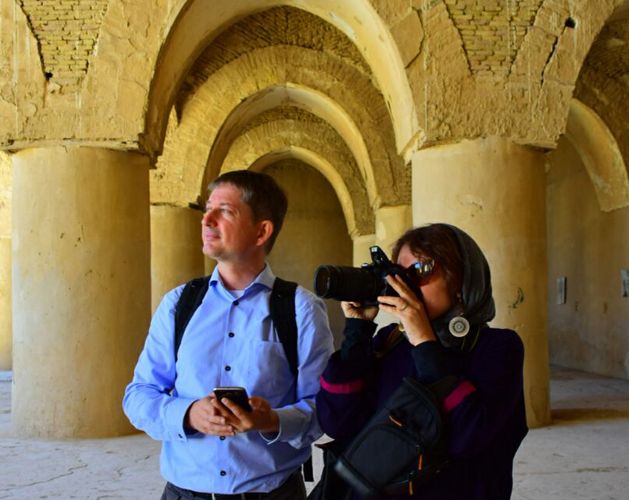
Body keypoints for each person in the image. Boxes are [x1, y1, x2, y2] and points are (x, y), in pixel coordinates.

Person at [123, 170, 334, 499]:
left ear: (262, 231)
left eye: (225, 211)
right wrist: (189, 413)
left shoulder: (301, 309)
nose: (206, 219)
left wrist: (270, 421)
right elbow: (138, 396)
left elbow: (323, 410)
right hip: (184, 493)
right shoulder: (179, 304)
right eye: (208, 208)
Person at [316, 223, 528, 499]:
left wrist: (424, 341)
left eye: (420, 271)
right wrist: (357, 332)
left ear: (461, 282)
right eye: (399, 274)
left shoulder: (497, 347)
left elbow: (469, 436)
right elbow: (338, 423)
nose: (406, 286)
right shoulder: (389, 342)